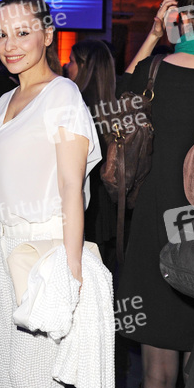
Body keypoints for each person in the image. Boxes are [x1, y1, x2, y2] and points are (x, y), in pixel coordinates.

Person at [0, 0, 118, 388]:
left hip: (42, 254)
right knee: (11, 375)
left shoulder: (62, 95)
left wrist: (71, 271)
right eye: (1, 33)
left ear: (46, 34)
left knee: (39, 380)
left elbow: (70, 190)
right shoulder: (3, 101)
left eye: (22, 31)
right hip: (0, 250)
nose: (10, 44)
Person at [118, 0, 194, 388]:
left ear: (180, 18)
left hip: (155, 228)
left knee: (157, 369)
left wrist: (151, 36)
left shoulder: (154, 71)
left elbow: (118, 105)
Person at [65, 39, 117, 272]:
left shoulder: (76, 105)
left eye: (72, 61)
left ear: (85, 66)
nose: (68, 66)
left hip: (85, 204)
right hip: (110, 204)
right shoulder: (115, 103)